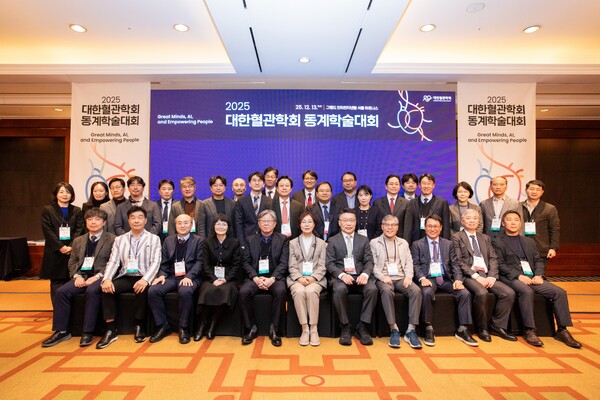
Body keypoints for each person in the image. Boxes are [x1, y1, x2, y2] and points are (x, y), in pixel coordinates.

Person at [492, 210, 581, 348]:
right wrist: (518, 276)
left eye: (516, 220)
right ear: (503, 224)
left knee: (559, 292)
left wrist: (538, 275)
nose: (513, 222)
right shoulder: (497, 242)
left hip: (532, 277)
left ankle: (562, 330)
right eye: (509, 220)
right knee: (526, 291)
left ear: (520, 223)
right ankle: (529, 330)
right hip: (511, 277)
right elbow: (500, 264)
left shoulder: (529, 241)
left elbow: (538, 260)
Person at [41, 208, 115, 347]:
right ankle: (61, 331)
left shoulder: (112, 239)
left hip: (100, 276)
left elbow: (113, 262)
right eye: (90, 219)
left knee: (92, 291)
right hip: (81, 276)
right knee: (61, 292)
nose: (93, 222)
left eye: (97, 219)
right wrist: (77, 276)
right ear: (86, 222)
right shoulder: (78, 240)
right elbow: (72, 261)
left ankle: (87, 332)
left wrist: (98, 276)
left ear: (104, 222)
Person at [96, 206, 161, 349]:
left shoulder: (154, 239)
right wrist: (107, 279)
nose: (136, 221)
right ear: (128, 220)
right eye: (133, 218)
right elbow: (113, 262)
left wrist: (145, 280)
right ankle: (111, 329)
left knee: (142, 289)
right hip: (126, 275)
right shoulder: (120, 240)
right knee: (106, 289)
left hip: (144, 275)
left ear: (145, 220)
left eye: (140, 217)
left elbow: (156, 262)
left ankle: (139, 326)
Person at [412, 215, 478, 347]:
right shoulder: (417, 244)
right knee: (426, 292)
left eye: (436, 226)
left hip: (446, 278)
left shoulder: (448, 244)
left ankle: (462, 329)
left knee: (465, 293)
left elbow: (455, 264)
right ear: (425, 227)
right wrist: (422, 278)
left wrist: (458, 280)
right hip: (428, 278)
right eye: (430, 226)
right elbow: (415, 264)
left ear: (441, 228)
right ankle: (428, 327)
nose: (432, 229)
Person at [452, 209, 516, 342]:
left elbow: (493, 258)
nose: (472, 221)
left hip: (487, 275)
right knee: (482, 293)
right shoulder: (456, 237)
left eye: (475, 218)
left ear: (479, 221)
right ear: (462, 221)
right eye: (468, 218)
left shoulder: (485, 238)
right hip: (469, 276)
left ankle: (497, 326)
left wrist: (492, 276)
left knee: (508, 293)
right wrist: (476, 276)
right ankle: (482, 328)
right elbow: (458, 261)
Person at [148, 214, 203, 344]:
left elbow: (200, 262)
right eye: (179, 223)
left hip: (191, 276)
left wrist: (189, 276)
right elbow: (164, 262)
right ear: (175, 225)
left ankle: (183, 327)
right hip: (172, 276)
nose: (182, 226)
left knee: (185, 291)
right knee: (153, 291)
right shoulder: (168, 240)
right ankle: (162, 325)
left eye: (186, 223)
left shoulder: (199, 240)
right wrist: (162, 275)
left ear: (191, 225)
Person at [370, 215, 423, 349]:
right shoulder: (374, 243)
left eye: (393, 225)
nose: (390, 227)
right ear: (382, 226)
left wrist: (409, 276)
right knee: (387, 291)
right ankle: (393, 328)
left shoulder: (403, 243)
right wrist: (382, 277)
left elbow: (409, 262)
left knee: (416, 291)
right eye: (387, 225)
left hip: (401, 277)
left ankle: (411, 330)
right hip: (383, 278)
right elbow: (372, 265)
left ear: (397, 227)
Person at [326, 208, 377, 346]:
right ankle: (345, 326)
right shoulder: (333, 240)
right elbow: (329, 263)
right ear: (339, 223)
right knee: (339, 290)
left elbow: (369, 261)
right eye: (345, 220)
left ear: (355, 222)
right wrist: (342, 275)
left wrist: (365, 274)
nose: (348, 223)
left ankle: (362, 326)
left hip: (360, 276)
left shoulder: (363, 240)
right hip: (341, 277)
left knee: (372, 289)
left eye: (351, 220)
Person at [239, 210, 289, 346]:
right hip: (255, 277)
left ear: (275, 224)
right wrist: (255, 278)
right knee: (243, 292)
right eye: (263, 221)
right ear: (259, 223)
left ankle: (275, 329)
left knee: (281, 291)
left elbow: (284, 263)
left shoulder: (283, 239)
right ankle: (251, 328)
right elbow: (245, 262)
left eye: (269, 221)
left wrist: (272, 279)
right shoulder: (250, 240)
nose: (266, 223)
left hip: (274, 278)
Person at [195, 214, 241, 341]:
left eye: (224, 224)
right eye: (218, 224)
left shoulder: (234, 242)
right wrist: (214, 279)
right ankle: (202, 325)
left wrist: (225, 279)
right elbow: (205, 264)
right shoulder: (207, 242)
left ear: (228, 227)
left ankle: (213, 325)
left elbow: (236, 265)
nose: (221, 227)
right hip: (211, 277)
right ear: (213, 226)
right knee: (206, 290)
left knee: (224, 290)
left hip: (228, 278)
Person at [40, 182, 84, 304]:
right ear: (56, 194)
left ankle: (71, 311)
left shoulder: (77, 210)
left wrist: (71, 246)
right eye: (61, 192)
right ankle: (58, 310)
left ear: (72, 195)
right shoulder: (48, 210)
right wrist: (60, 247)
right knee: (56, 282)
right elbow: (47, 230)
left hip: (72, 251)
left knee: (72, 280)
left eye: (68, 192)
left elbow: (80, 229)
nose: (65, 195)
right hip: (55, 251)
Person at [287, 212, 327, 346]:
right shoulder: (292, 243)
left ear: (314, 224)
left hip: (316, 279)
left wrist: (313, 278)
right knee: (299, 292)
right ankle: (304, 329)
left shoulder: (321, 243)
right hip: (297, 278)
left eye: (310, 221)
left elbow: (323, 265)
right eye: (303, 222)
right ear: (299, 225)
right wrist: (299, 278)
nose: (307, 224)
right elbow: (292, 265)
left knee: (311, 291)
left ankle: (314, 328)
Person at [521, 180, 560, 267]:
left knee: (539, 274)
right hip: (521, 248)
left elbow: (554, 229)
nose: (534, 192)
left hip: (541, 249)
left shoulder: (549, 208)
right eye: (532, 189)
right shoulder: (518, 206)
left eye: (538, 190)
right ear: (526, 190)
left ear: (542, 192)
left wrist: (553, 248)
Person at [404, 173, 451, 246]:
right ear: (419, 185)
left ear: (433, 185)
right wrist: (407, 245)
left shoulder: (442, 203)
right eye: (424, 183)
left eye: (429, 183)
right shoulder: (412, 203)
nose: (426, 186)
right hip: (416, 243)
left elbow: (446, 227)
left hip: (436, 243)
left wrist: (446, 245)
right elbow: (408, 227)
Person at [234, 171, 273, 248]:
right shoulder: (241, 201)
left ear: (263, 184)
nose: (257, 183)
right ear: (249, 184)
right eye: (254, 180)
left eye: (259, 181)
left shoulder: (269, 201)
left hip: (265, 240)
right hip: (247, 240)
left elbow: (272, 222)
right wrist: (241, 244)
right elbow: (238, 224)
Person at [373, 174, 409, 239]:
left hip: (400, 239)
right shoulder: (377, 203)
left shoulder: (406, 203)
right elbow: (376, 224)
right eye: (391, 184)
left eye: (396, 184)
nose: (394, 186)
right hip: (382, 239)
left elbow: (407, 226)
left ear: (399, 186)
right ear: (386, 186)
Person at [155, 179, 174, 243]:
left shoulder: (178, 205)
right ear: (159, 191)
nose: (166, 191)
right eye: (164, 189)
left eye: (169, 189)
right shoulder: (154, 205)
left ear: (173, 191)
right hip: (157, 238)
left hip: (173, 238)